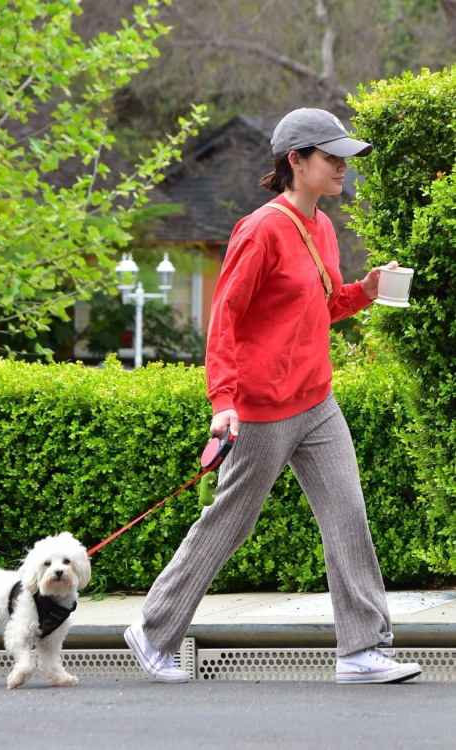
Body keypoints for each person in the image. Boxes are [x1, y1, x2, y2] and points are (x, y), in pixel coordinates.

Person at [125, 108, 421, 684]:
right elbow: (225, 319)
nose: (342, 167)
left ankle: (362, 651)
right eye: (330, 157)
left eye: (344, 157)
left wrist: (366, 290)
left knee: (348, 515)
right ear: (295, 161)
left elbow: (321, 309)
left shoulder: (325, 228)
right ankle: (154, 630)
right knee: (230, 522)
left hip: (317, 402)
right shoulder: (260, 229)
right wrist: (223, 401)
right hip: (260, 409)